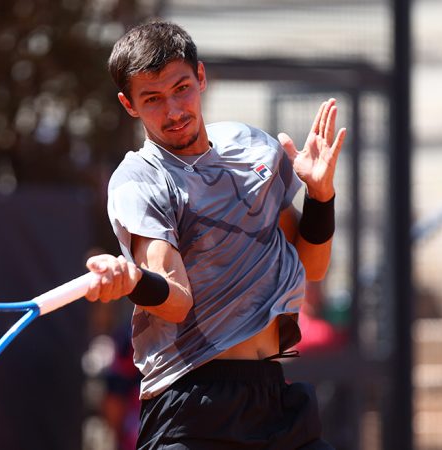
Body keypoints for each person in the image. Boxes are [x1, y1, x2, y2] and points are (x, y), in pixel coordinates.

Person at [84, 20, 345, 449]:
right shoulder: (139, 181)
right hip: (194, 404)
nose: (173, 111)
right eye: (152, 98)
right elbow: (176, 300)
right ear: (128, 104)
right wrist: (134, 282)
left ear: (201, 77)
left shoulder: (254, 148)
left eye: (181, 88)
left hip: (274, 394)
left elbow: (310, 265)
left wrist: (320, 195)